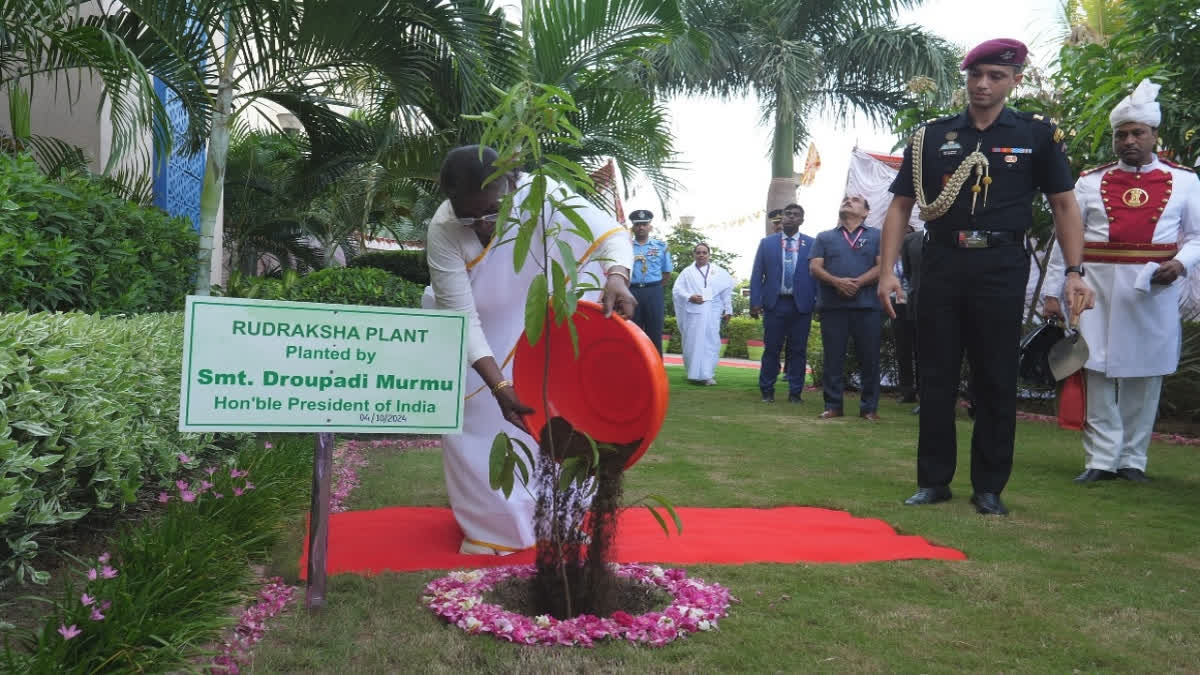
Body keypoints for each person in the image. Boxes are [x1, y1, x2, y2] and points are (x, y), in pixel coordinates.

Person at [877, 38, 1095, 516]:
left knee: (995, 376)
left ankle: (989, 486)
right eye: (975, 75)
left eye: (996, 76)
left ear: (1014, 81)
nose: (982, 84)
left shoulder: (1037, 134)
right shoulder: (932, 136)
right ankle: (933, 481)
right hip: (941, 264)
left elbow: (1063, 204)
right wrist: (889, 272)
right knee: (935, 375)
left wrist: (1075, 272)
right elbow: (900, 207)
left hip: (1000, 266)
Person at [424, 145, 635, 555]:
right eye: (470, 217)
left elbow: (607, 234)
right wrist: (500, 387)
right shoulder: (443, 229)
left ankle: (562, 518)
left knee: (560, 413)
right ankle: (494, 529)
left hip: (539, 319)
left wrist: (618, 276)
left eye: (492, 212)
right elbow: (463, 319)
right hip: (475, 335)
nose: (482, 225)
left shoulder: (543, 194)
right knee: (477, 420)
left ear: (514, 184)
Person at [1043, 80, 1200, 484]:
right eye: (1121, 134)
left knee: (1145, 376)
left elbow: (1197, 236)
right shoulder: (1089, 181)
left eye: (1137, 133)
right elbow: (1067, 237)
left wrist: (1180, 265)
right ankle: (1100, 459)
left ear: (1154, 136)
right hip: (1094, 288)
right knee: (1095, 369)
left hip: (1152, 289)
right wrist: (1052, 292)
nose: (1128, 141)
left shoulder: (1185, 181)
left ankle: (1133, 460)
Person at [809, 194, 883, 420]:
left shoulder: (878, 236)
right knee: (833, 358)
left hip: (868, 307)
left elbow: (883, 267)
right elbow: (815, 267)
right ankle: (833, 406)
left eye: (855, 200)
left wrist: (858, 283)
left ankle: (869, 408)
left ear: (866, 212)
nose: (848, 201)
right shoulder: (824, 237)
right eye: (846, 199)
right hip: (833, 306)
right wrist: (836, 282)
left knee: (869, 358)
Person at [750, 203, 817, 403]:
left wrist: (818, 302)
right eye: (788, 214)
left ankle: (795, 392)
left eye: (796, 215)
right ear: (782, 218)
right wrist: (755, 301)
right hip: (775, 304)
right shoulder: (767, 243)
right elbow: (757, 275)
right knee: (771, 349)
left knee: (798, 350)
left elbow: (818, 275)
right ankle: (767, 391)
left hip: (801, 306)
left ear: (802, 220)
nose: (791, 217)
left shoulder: (812, 244)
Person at [672, 242, 734, 385]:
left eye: (704, 252)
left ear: (709, 255)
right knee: (692, 343)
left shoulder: (719, 272)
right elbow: (677, 290)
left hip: (712, 312)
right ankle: (692, 374)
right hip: (693, 313)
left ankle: (707, 375)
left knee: (711, 342)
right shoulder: (687, 272)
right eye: (698, 252)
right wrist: (690, 296)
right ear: (694, 255)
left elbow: (726, 292)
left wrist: (728, 310)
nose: (701, 255)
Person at [628, 209, 673, 355]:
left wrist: (654, 288)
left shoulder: (661, 246)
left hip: (654, 291)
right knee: (633, 331)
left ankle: (656, 370)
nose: (641, 227)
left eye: (644, 224)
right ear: (633, 227)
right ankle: (634, 369)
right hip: (632, 291)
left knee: (655, 331)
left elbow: (666, 273)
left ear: (650, 226)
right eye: (638, 224)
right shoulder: (626, 246)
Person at [892, 224, 919, 405]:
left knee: (920, 349)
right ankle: (906, 391)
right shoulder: (890, 258)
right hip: (897, 305)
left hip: (916, 304)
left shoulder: (918, 255)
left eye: (908, 234)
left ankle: (922, 391)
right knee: (902, 349)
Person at [900, 224, 925, 414]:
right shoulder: (911, 240)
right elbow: (909, 273)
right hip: (919, 303)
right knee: (922, 353)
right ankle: (925, 399)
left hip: (954, 301)